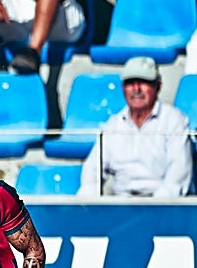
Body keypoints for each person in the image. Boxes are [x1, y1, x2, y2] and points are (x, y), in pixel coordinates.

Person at [78, 57, 193, 197]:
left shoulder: (175, 121)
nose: (136, 89)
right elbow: (93, 168)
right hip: (122, 204)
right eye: (130, 83)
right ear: (123, 87)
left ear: (159, 85)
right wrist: (88, 199)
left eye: (144, 82)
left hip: (162, 205)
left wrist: (157, 207)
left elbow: (178, 174)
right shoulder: (113, 125)